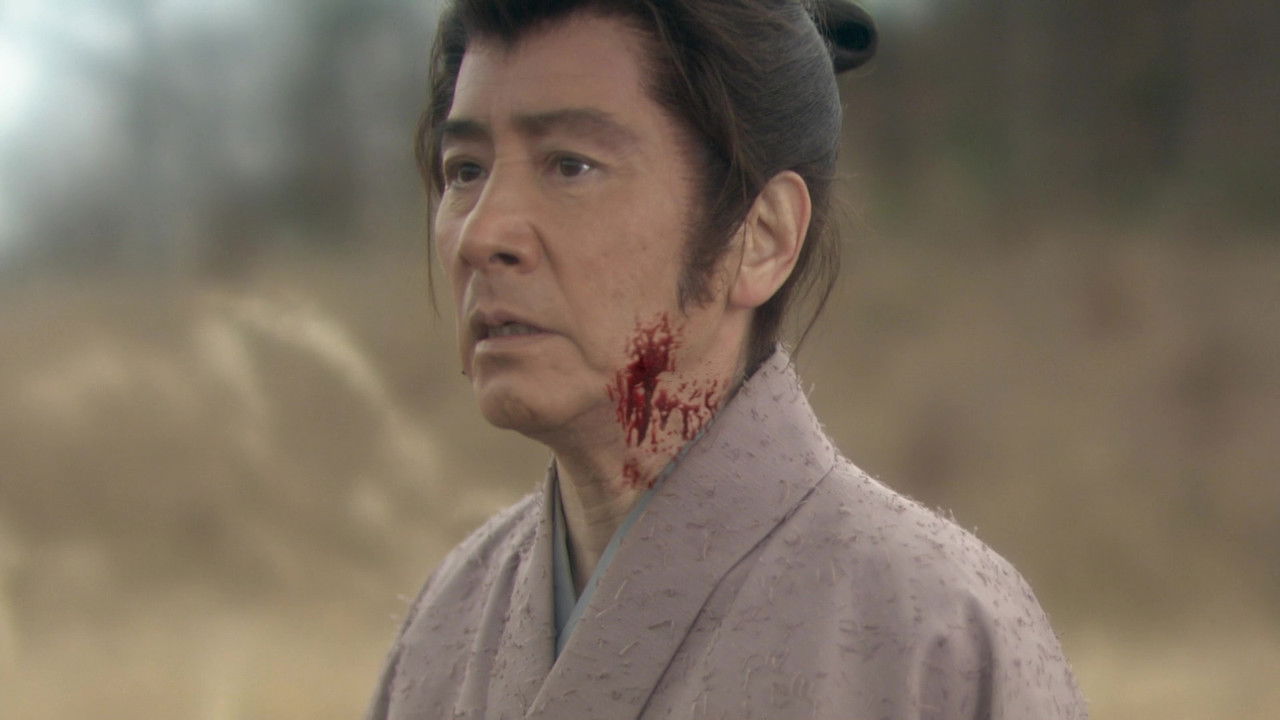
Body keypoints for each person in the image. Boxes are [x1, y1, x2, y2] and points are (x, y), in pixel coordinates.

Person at [368, 1, 1088, 718]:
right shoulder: (448, 623)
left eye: (571, 166)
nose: (482, 235)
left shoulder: (935, 632)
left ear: (762, 237)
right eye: (465, 170)